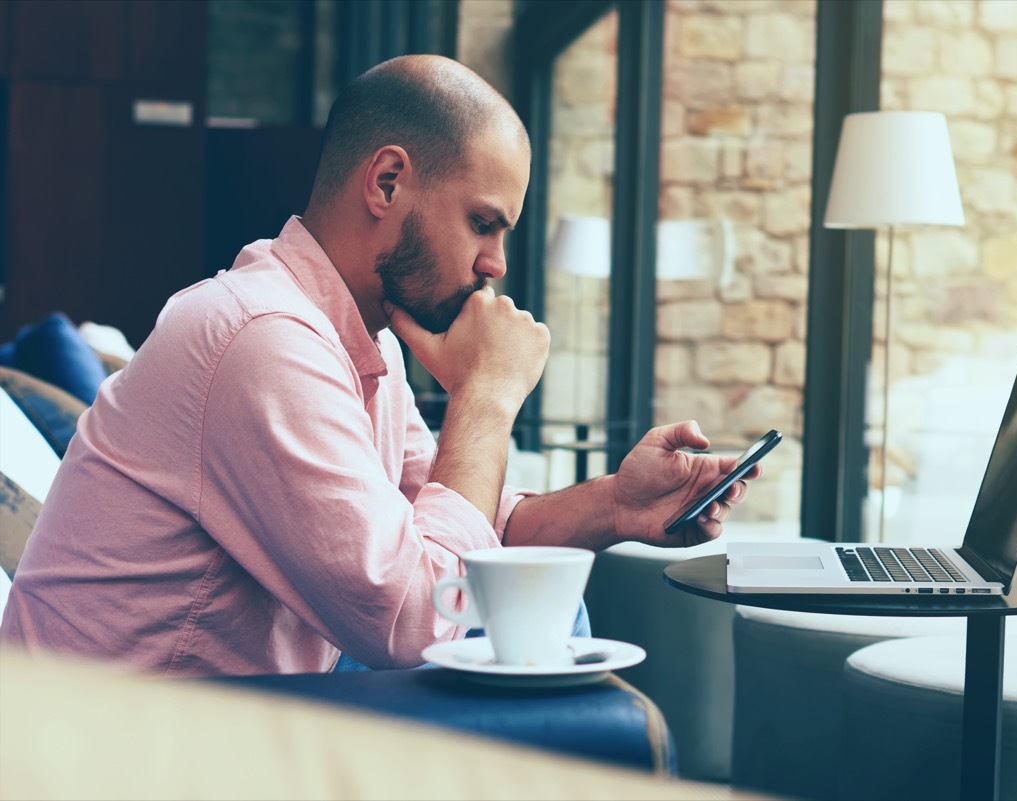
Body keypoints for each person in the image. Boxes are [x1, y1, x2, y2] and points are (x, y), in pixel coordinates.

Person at [0, 55, 758, 676]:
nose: (496, 264)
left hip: (219, 711)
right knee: (509, 637)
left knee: (534, 611)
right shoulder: (261, 339)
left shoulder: (364, 343)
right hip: (101, 746)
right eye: (483, 223)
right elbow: (421, 614)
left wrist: (618, 505)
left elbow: (455, 528)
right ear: (387, 182)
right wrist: (486, 394)